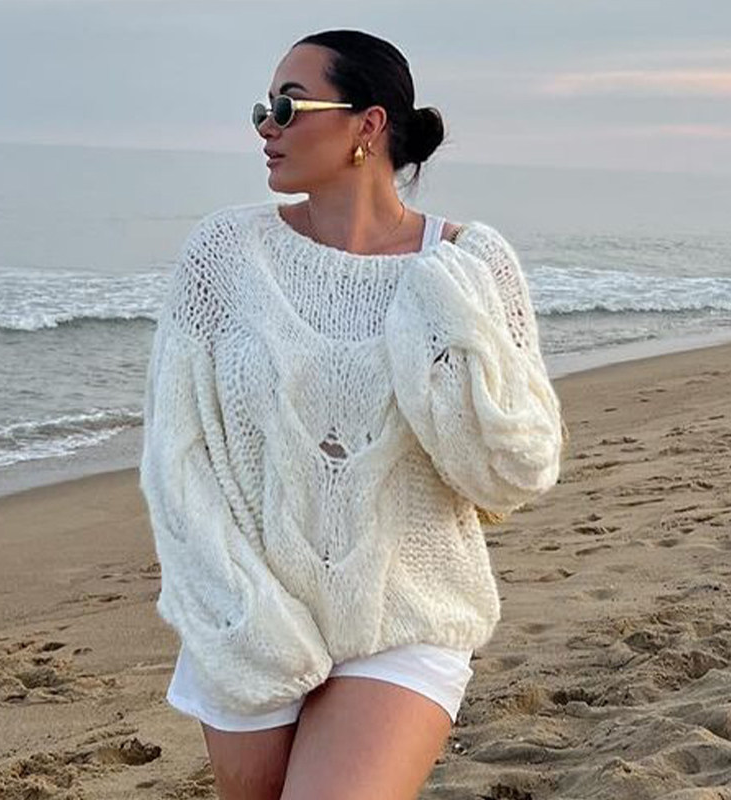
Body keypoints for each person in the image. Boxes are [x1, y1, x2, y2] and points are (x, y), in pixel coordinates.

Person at [139, 28, 567, 800]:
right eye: (262, 109)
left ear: (367, 124)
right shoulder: (224, 254)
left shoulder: (470, 265)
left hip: (406, 615)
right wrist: (243, 614)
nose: (266, 126)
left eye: (288, 106)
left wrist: (438, 311)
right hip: (247, 615)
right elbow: (179, 455)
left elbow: (514, 471)